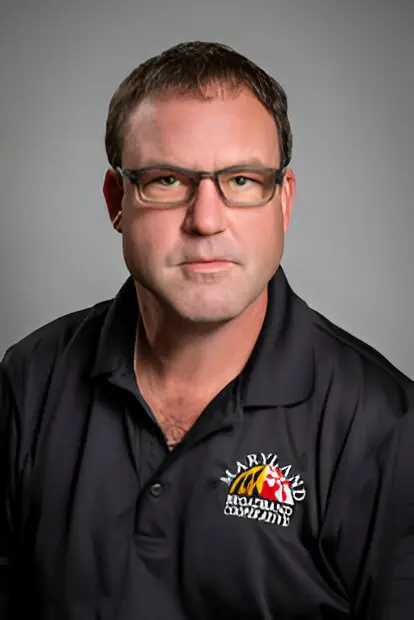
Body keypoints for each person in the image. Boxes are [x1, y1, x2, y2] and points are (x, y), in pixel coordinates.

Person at [0, 41, 413, 619]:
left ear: (284, 203)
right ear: (117, 201)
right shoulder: (29, 380)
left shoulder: (385, 427)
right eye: (168, 180)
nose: (206, 219)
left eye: (242, 180)